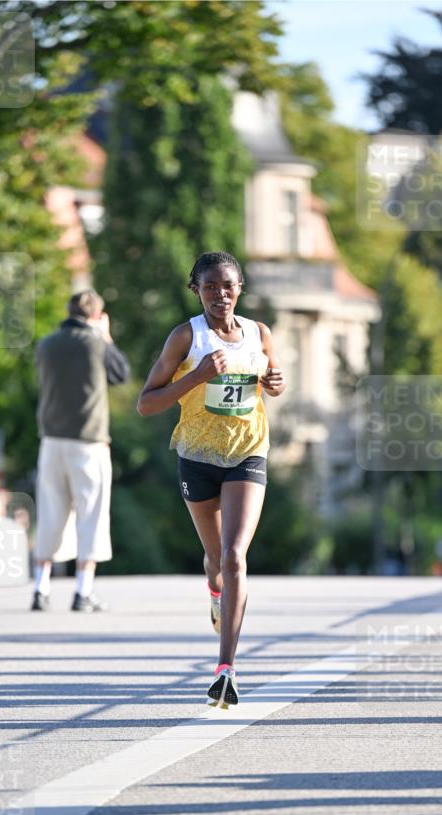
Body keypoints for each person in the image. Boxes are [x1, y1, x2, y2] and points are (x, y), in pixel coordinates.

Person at [137, 251, 285, 706]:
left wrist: (275, 384)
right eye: (209, 287)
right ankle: (215, 590)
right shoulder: (186, 336)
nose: (220, 295)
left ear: (240, 287)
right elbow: (147, 402)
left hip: (247, 451)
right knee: (216, 558)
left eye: (228, 286)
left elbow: (271, 379)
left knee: (235, 555)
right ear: (196, 290)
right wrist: (197, 376)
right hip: (198, 455)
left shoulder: (260, 333)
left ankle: (226, 669)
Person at [32, 289, 130, 611]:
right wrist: (106, 336)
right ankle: (82, 591)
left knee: (50, 513)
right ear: (96, 315)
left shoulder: (45, 345)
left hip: (51, 440)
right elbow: (121, 374)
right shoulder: (95, 343)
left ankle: (40, 588)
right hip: (88, 442)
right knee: (91, 515)